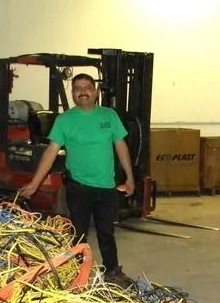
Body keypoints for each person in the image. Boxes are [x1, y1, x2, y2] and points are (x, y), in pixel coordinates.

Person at [20, 73, 135, 287]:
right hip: (78, 188)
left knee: (106, 233)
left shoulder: (109, 116)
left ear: (96, 91)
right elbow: (50, 152)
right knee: (78, 233)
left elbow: (121, 147)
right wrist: (35, 183)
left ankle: (112, 271)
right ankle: (77, 275)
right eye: (78, 88)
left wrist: (130, 177)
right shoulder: (64, 120)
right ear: (73, 93)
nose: (83, 91)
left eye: (88, 87)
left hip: (107, 188)